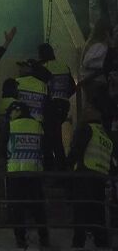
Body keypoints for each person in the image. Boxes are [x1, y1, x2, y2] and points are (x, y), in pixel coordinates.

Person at [67, 103, 114, 250]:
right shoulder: (105, 135)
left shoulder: (86, 129)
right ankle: (102, 244)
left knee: (80, 212)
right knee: (97, 213)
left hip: (84, 174)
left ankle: (78, 244)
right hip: (100, 178)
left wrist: (66, 167)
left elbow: (76, 150)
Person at [5, 102, 48, 249]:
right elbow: (45, 148)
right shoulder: (37, 125)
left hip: (15, 174)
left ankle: (20, 239)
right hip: (34, 173)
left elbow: (0, 148)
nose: (9, 115)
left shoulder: (11, 126)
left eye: (10, 112)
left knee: (17, 209)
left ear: (17, 111)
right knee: (38, 209)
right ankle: (44, 237)